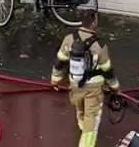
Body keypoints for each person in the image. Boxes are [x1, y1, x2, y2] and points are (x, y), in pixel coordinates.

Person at [50, 9, 117, 147]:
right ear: (94, 23)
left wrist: (55, 80)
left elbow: (59, 61)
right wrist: (115, 86)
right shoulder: (100, 45)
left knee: (80, 107)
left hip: (75, 84)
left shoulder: (69, 38)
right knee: (91, 120)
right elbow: (107, 69)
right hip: (94, 88)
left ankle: (82, 123)